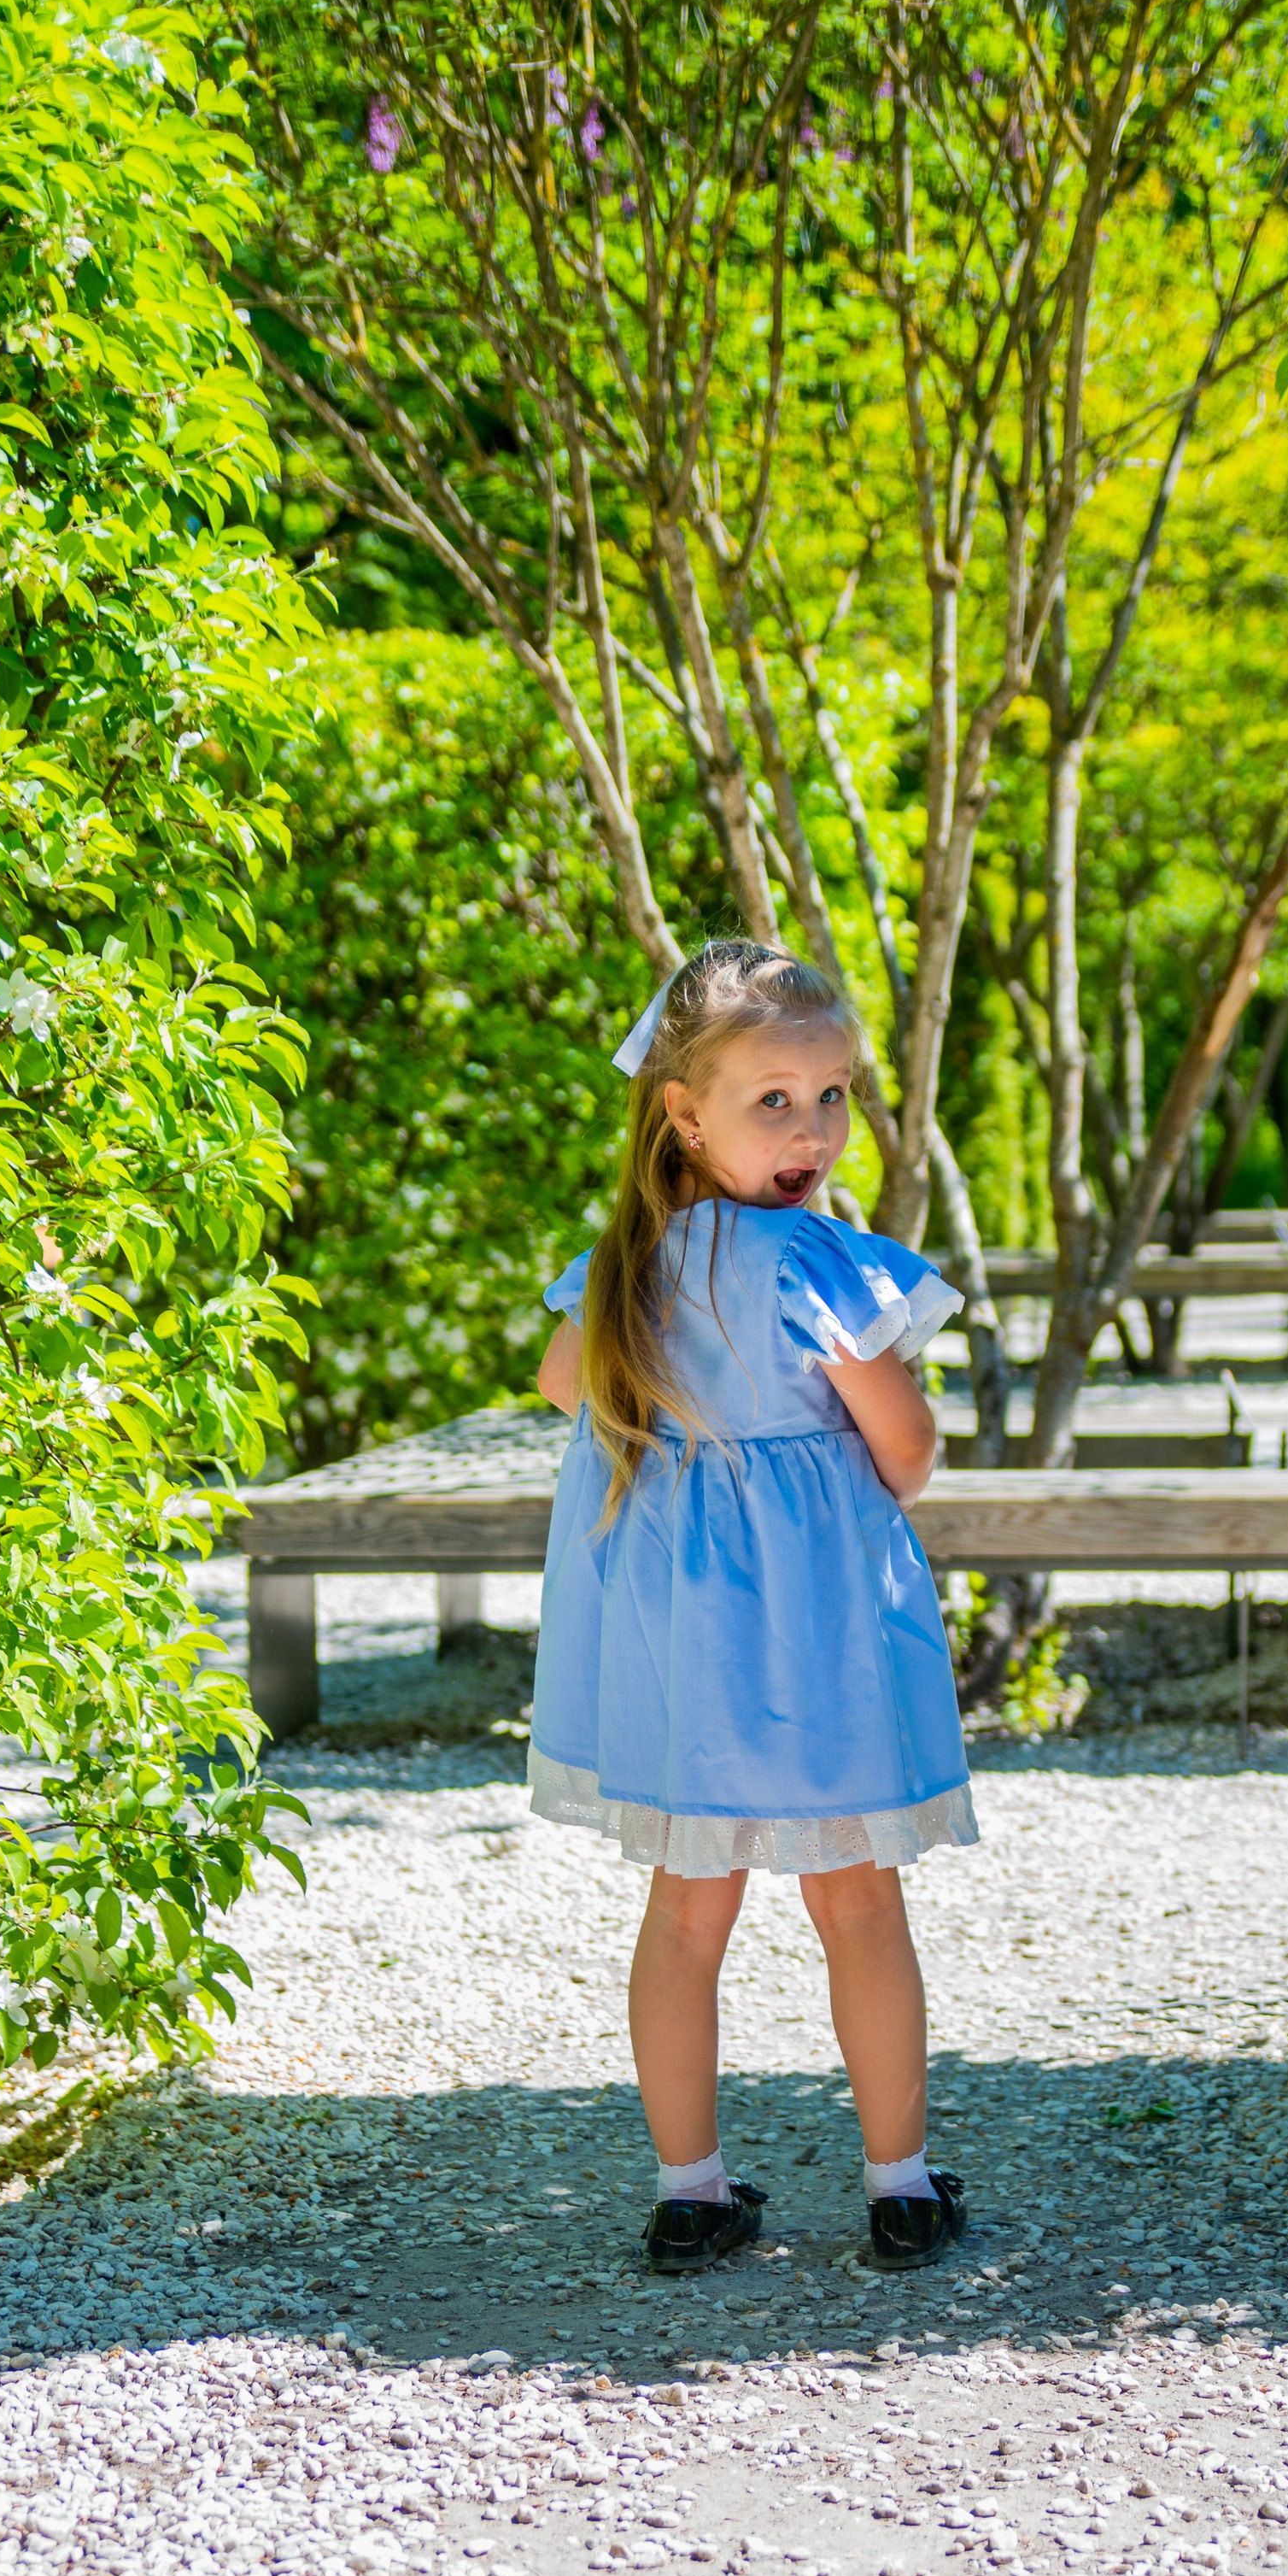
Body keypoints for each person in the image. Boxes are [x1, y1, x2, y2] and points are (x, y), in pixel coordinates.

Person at [530, 937, 978, 2276]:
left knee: (684, 1914)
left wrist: (688, 1449)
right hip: (824, 1639)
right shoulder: (831, 1268)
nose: (813, 1129)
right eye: (772, 1099)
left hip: (687, 1649)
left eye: (833, 1096)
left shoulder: (627, 1265)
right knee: (859, 1905)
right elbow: (902, 1453)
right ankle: (898, 2188)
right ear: (685, 1113)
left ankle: (692, 2192)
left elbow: (566, 1387)